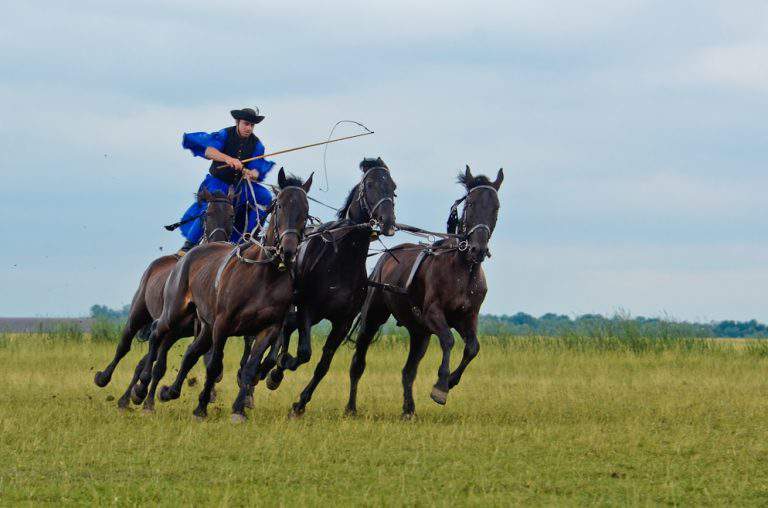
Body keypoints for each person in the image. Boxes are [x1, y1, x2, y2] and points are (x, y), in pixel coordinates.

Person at [176, 107, 275, 254]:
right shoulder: (225, 134)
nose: (249, 128)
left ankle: (247, 237)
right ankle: (189, 245)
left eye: (252, 125)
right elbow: (209, 151)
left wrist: (252, 173)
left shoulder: (257, 145)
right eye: (246, 124)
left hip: (240, 186)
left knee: (265, 198)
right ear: (237, 122)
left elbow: (257, 168)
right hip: (218, 182)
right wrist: (228, 159)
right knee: (210, 206)